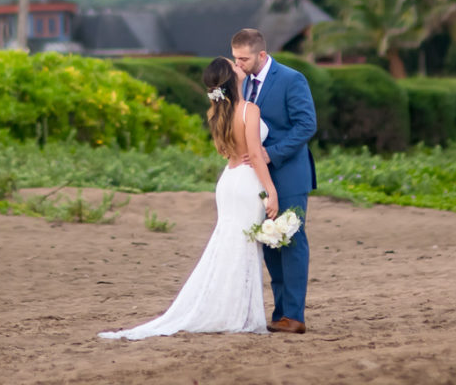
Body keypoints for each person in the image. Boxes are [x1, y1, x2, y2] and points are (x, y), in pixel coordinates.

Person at [98, 55, 280, 340]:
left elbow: (225, 151)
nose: (238, 66)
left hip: (228, 180)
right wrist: (271, 190)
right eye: (234, 66)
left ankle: (231, 310)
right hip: (246, 182)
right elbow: (256, 155)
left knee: (229, 243)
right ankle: (238, 314)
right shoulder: (249, 110)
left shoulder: (217, 113)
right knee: (244, 246)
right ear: (232, 79)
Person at [231, 27, 317, 334]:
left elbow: (307, 124)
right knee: (269, 243)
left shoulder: (292, 79)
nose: (238, 64)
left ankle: (294, 316)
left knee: (290, 240)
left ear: (262, 55)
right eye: (235, 58)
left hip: (290, 174)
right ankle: (280, 312)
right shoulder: (241, 83)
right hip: (255, 178)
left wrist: (271, 154)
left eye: (244, 59)